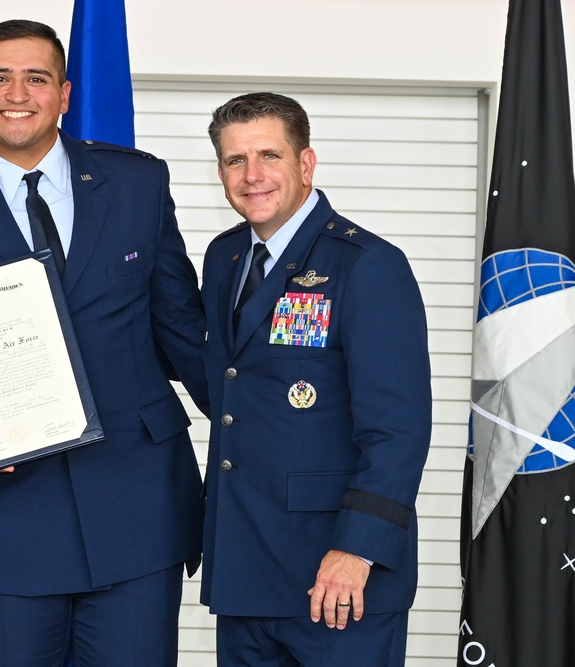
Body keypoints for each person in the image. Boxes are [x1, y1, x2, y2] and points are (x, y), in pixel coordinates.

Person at [0, 19, 207, 667]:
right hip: (5, 518)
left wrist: (261, 430)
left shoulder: (139, 183)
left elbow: (182, 329)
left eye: (36, 78)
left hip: (138, 505)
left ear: (64, 93)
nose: (17, 93)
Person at [199, 92, 431, 666]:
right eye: (234, 160)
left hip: (336, 576)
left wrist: (357, 549)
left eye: (269, 156)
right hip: (244, 566)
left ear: (306, 164)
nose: (252, 176)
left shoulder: (367, 264)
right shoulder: (224, 258)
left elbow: (397, 429)